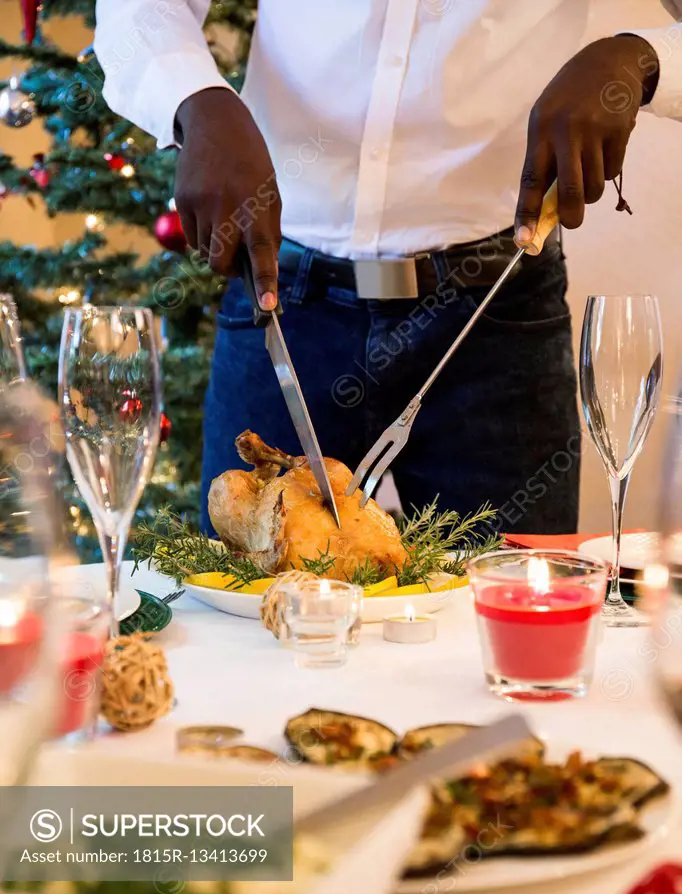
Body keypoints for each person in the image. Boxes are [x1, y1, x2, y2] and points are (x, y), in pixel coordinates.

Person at [94, 2, 682, 535]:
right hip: (282, 303)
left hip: (495, 320)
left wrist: (640, 59)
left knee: (510, 624)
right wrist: (196, 102)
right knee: (243, 619)